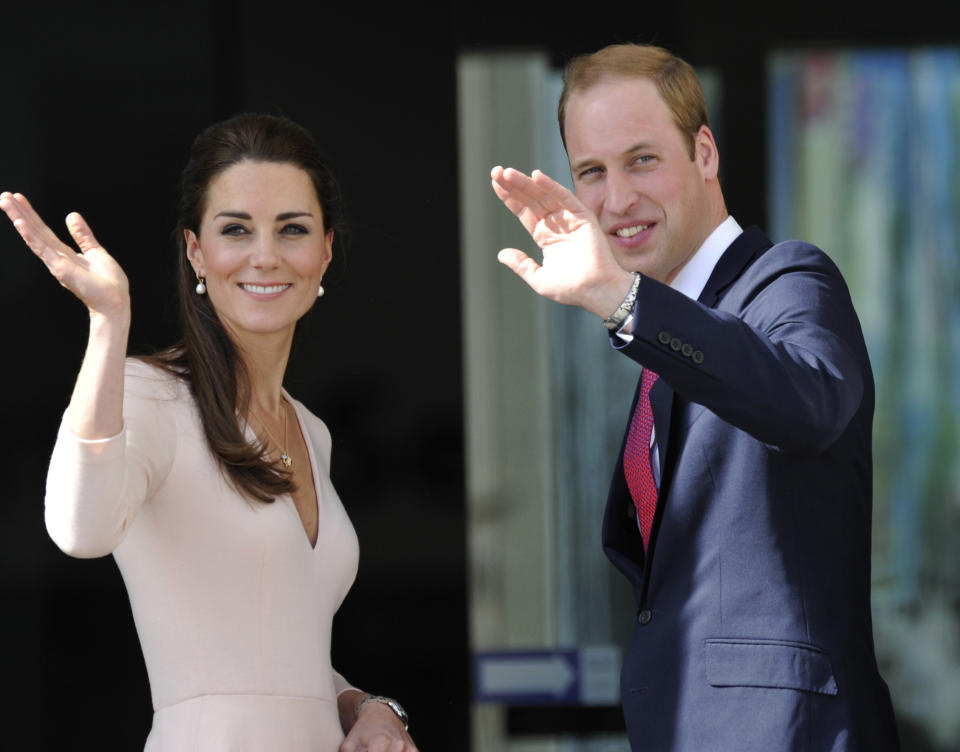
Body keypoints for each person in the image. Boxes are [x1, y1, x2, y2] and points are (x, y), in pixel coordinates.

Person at [491, 44, 899, 750]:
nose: (616, 200)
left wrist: (624, 303)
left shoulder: (788, 281)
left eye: (642, 159)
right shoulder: (658, 339)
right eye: (592, 171)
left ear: (704, 153)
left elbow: (806, 404)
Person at [1, 113, 417, 752]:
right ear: (196, 250)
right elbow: (79, 531)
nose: (266, 255)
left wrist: (371, 709)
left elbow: (280, 661)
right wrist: (108, 325)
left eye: (293, 229)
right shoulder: (148, 393)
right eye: (236, 230)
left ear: (326, 249)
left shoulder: (312, 431)